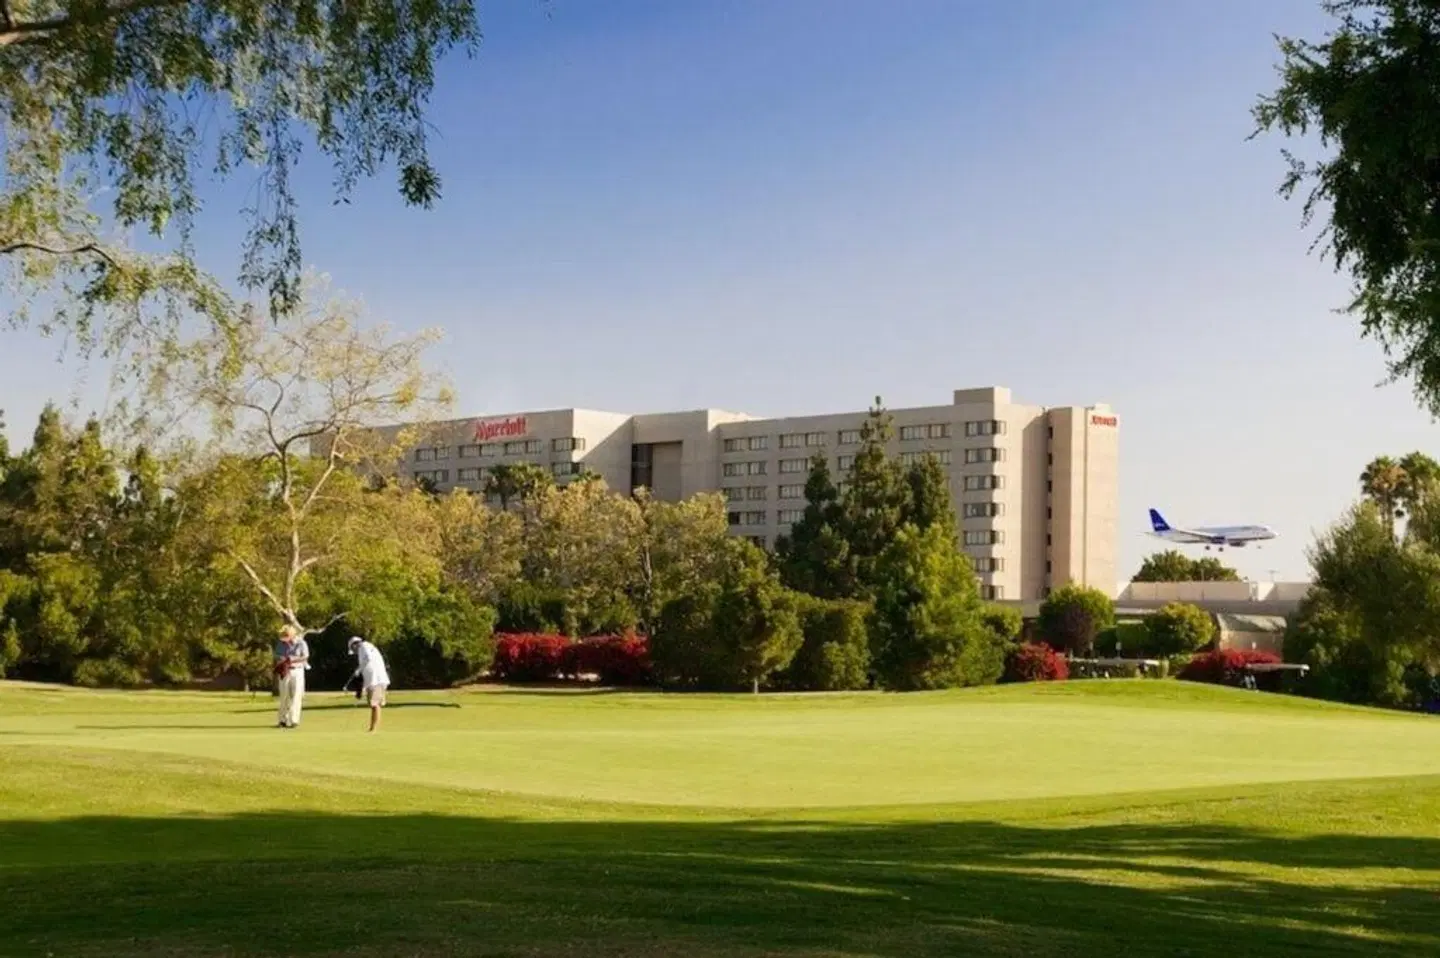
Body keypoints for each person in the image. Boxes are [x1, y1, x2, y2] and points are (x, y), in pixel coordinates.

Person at [347, 636, 390, 733]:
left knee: (374, 704)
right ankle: (372, 728)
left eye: (353, 649)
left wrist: (358, 670)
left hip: (376, 680)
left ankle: (373, 729)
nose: (354, 652)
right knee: (374, 704)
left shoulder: (363, 646)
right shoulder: (366, 647)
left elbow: (368, 658)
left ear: (354, 645)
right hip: (374, 680)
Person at [273, 625, 310, 728]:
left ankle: (294, 720)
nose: (284, 637)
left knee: (296, 696)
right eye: (283, 635)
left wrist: (291, 660)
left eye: (286, 635)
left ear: (292, 635)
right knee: (284, 696)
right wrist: (283, 660)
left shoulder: (301, 643)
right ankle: (282, 720)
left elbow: (305, 657)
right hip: (285, 671)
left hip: (297, 670)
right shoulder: (281, 643)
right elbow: (277, 656)